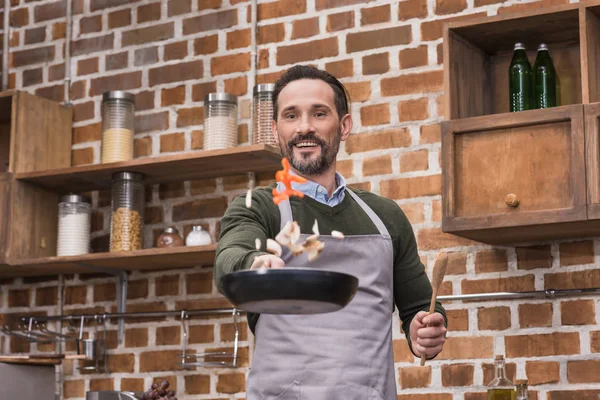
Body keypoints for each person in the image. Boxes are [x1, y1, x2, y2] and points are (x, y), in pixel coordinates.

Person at [214, 65, 447, 400]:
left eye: (319, 113)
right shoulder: (257, 207)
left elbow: (421, 307)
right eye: (291, 116)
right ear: (276, 129)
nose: (304, 127)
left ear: (344, 125)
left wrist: (425, 331)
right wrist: (254, 263)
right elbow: (230, 256)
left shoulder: (385, 217)